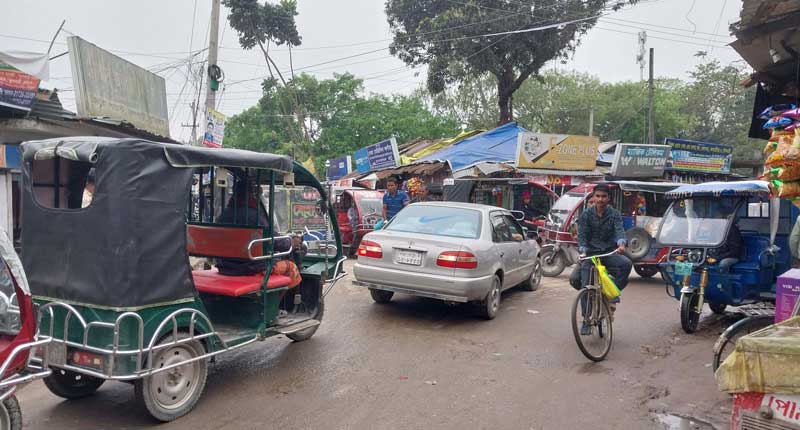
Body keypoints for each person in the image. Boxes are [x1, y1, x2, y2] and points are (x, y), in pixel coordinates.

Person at [569, 184, 632, 334]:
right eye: (598, 196)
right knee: (581, 282)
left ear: (608, 198)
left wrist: (621, 243)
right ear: (593, 197)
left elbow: (619, 231)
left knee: (626, 265)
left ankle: (611, 295)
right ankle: (586, 320)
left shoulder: (614, 214)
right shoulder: (586, 214)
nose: (600, 199)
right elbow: (582, 236)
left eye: (604, 196)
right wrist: (583, 250)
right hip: (590, 254)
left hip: (609, 253)